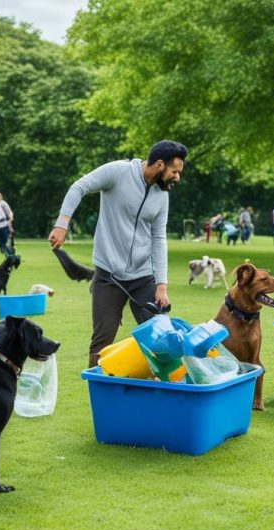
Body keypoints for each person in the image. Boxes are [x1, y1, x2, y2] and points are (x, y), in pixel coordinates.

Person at [48, 139, 187, 367]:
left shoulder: (162, 195)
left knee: (162, 338)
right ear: (160, 164)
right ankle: (99, 393)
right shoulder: (118, 172)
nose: (177, 177)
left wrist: (161, 285)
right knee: (102, 342)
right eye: (175, 171)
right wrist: (62, 223)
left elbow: (158, 238)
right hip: (108, 276)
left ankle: (163, 392)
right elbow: (79, 187)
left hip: (143, 277)